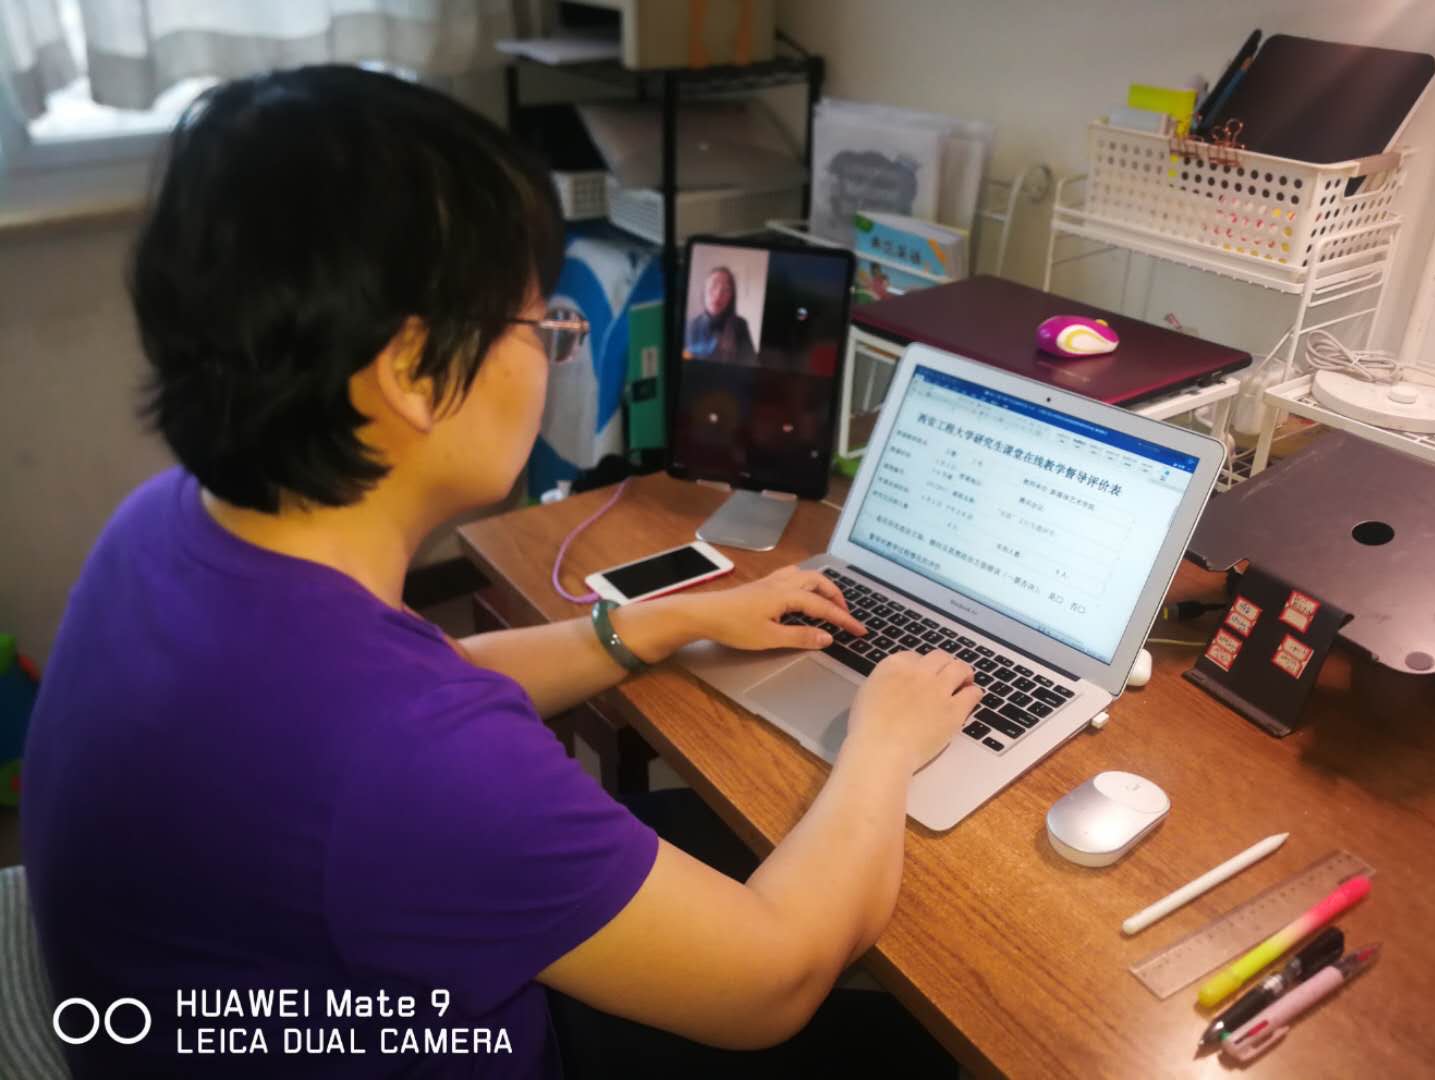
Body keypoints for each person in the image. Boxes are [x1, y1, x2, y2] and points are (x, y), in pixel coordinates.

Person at [21, 66, 980, 1079]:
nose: (553, 351)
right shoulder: (408, 760)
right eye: (539, 322)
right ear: (413, 372)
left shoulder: (168, 524)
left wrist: (656, 625)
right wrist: (885, 737)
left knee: (747, 833)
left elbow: (418, 686)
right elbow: (773, 984)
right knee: (927, 1038)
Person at [683, 266, 757, 365]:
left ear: (731, 296)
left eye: (726, 289)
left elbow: (750, 362)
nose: (718, 294)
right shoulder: (690, 326)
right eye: (713, 286)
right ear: (704, 291)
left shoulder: (740, 325)